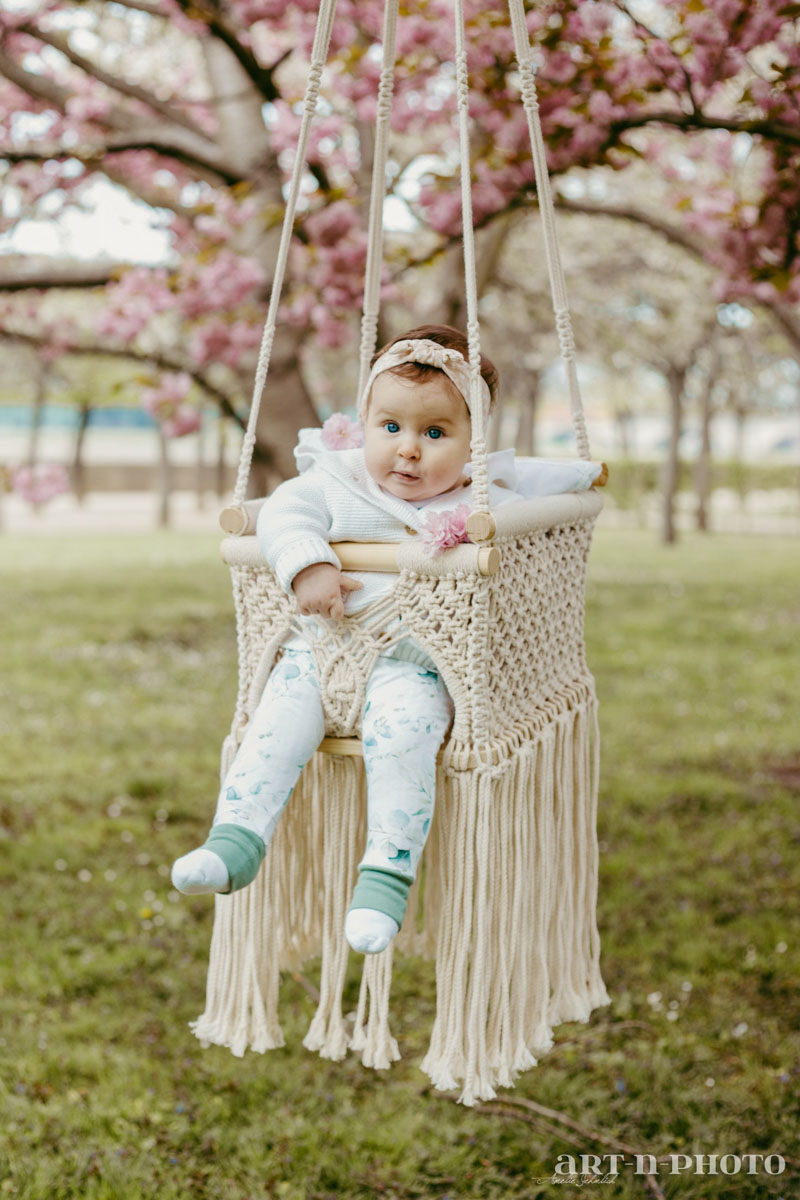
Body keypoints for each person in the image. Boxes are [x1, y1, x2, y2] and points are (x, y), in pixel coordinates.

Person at [171, 324, 602, 954]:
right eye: (390, 428)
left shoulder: (481, 501)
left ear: (474, 443)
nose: (407, 451)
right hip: (318, 650)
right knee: (273, 728)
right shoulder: (336, 482)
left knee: (405, 744)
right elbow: (286, 512)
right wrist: (308, 564)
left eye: (435, 433)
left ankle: (385, 877)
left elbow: (548, 490)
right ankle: (234, 838)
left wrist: (580, 480)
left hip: (416, 665)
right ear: (364, 423)